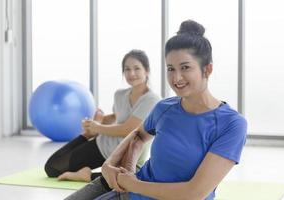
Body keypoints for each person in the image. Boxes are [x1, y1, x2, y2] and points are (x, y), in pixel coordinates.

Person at [96, 19, 247, 200]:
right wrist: (115, 166)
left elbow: (193, 193)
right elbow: (138, 135)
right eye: (170, 68)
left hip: (133, 188)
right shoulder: (164, 107)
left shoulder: (231, 124)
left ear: (207, 69)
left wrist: (131, 183)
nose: (177, 78)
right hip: (129, 194)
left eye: (185, 67)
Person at [44, 49, 160, 184]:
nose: (131, 73)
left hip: (129, 154)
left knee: (125, 180)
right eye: (127, 69)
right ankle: (86, 136)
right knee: (52, 168)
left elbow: (128, 129)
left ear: (147, 71)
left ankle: (87, 176)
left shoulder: (152, 99)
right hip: (104, 145)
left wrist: (98, 127)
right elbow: (119, 116)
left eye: (136, 69)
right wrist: (99, 121)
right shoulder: (120, 94)